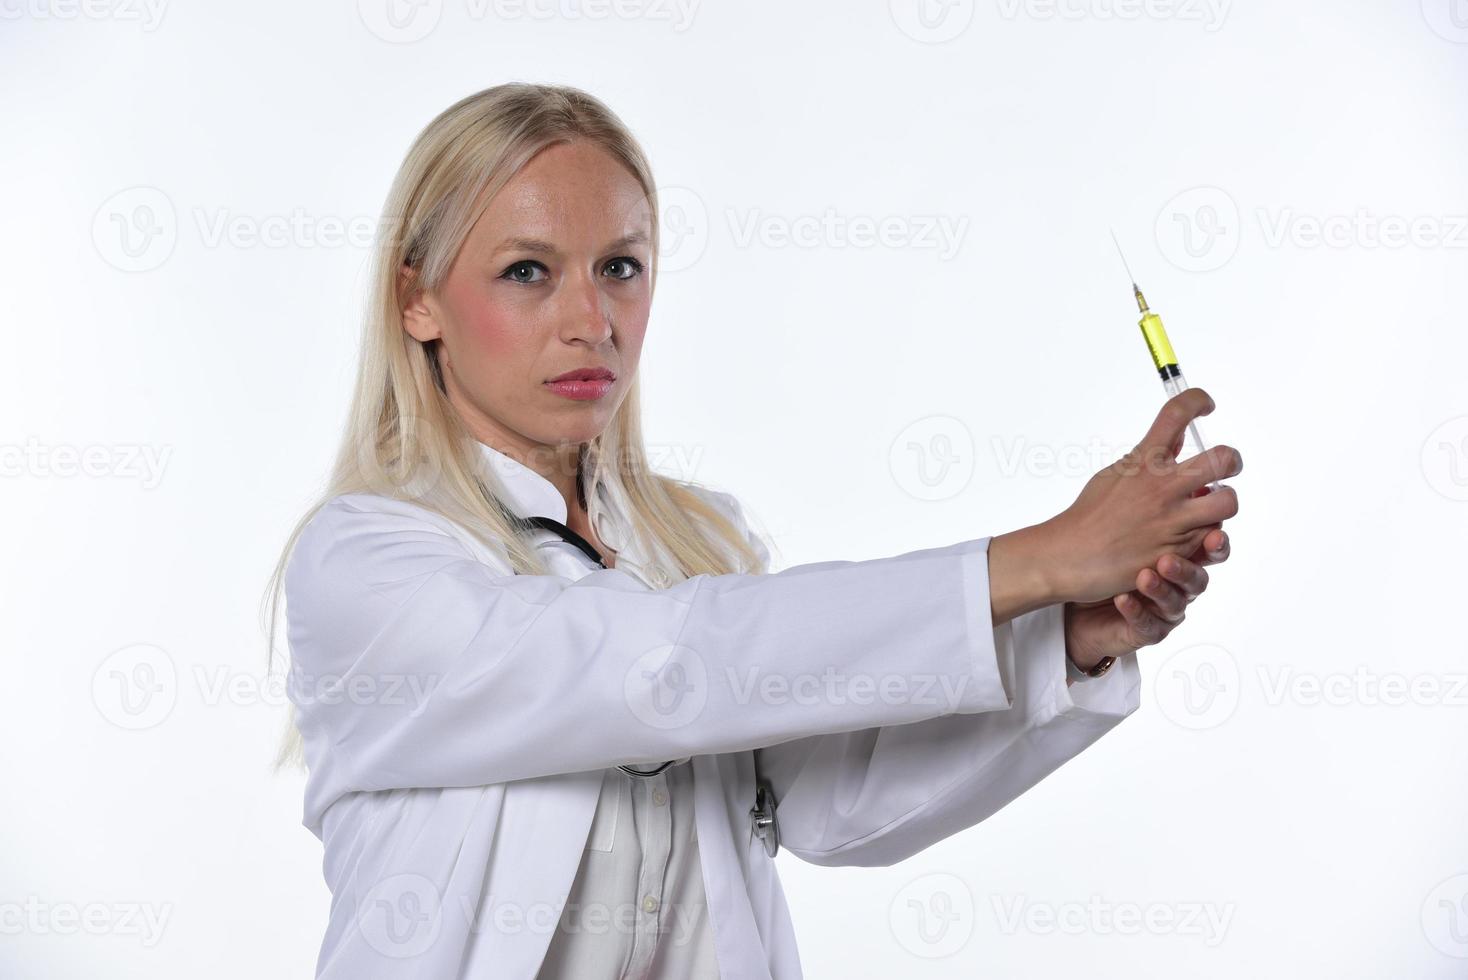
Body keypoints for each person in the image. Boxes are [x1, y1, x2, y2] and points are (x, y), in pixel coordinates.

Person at [263, 82, 1241, 979]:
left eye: (620, 266)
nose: (591, 318)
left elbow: (827, 806)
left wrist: (1064, 633)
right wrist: (1034, 559)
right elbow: (658, 670)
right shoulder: (364, 563)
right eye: (527, 270)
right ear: (416, 298)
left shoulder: (699, 542)